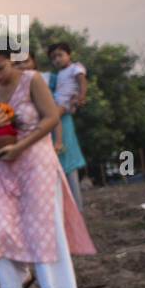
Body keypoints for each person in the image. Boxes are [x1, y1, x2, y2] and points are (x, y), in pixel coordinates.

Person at [0, 44, 95, 288]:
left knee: (41, 228)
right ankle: (17, 281)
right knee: (0, 227)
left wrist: (21, 146)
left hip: (36, 160)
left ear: (11, 62)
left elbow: (52, 117)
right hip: (6, 166)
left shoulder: (33, 80)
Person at [48, 41, 88, 209]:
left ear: (69, 54)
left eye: (60, 55)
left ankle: (58, 142)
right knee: (52, 117)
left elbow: (82, 82)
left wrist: (80, 97)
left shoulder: (76, 68)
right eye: (53, 57)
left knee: (52, 119)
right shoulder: (59, 74)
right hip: (59, 101)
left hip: (65, 102)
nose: (57, 59)